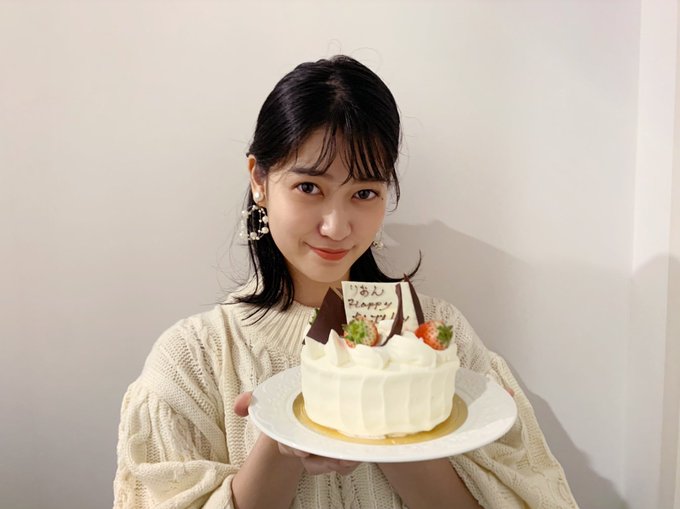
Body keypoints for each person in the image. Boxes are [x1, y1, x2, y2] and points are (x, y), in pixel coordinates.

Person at [113, 55, 578, 509]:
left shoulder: (437, 336)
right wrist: (282, 438)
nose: (336, 227)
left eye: (364, 193)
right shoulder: (193, 361)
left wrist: (399, 422)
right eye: (309, 187)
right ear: (259, 180)